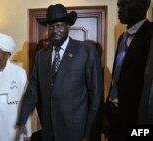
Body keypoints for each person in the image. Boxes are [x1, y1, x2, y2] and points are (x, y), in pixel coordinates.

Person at [16, 4, 103, 141]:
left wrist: (89, 133)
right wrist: (22, 119)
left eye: (59, 25)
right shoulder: (41, 56)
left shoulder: (85, 51)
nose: (54, 30)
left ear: (68, 26)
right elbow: (32, 90)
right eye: (51, 27)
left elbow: (96, 96)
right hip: (49, 132)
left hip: (76, 132)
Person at [104, 0, 153, 140]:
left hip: (137, 116)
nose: (119, 10)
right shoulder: (122, 38)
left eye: (125, 4)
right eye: (119, 5)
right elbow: (118, 77)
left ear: (143, 6)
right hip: (114, 114)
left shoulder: (150, 35)